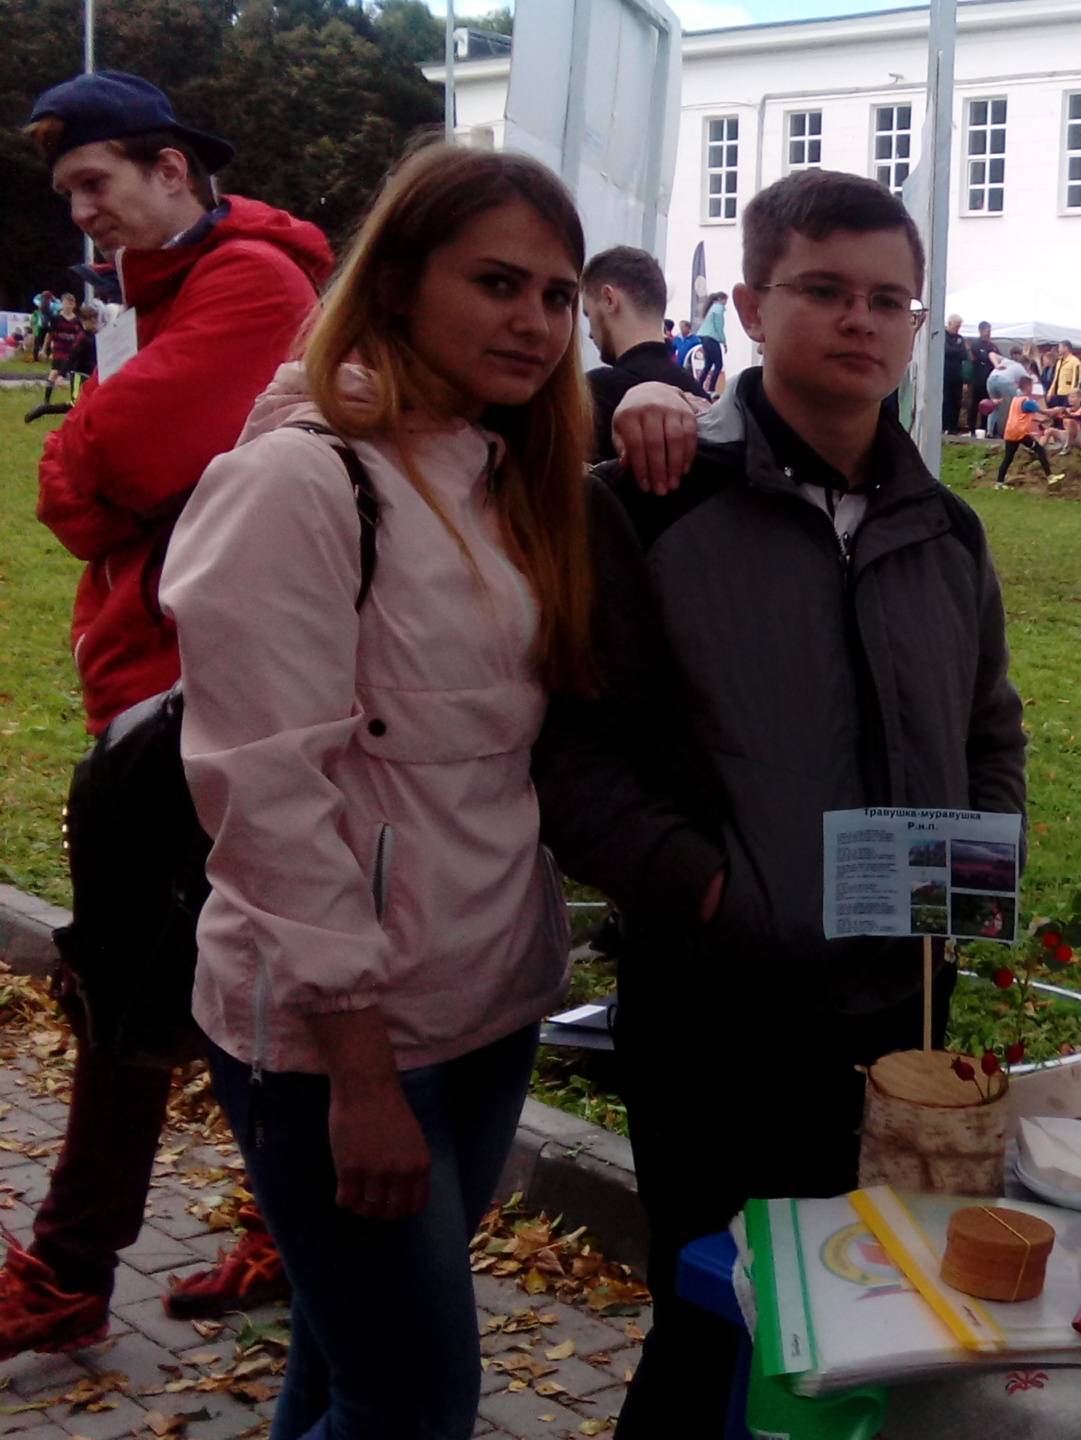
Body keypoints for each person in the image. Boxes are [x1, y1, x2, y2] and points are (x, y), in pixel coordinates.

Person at [533, 168, 1026, 1439]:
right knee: (719, 1321)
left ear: (917, 324)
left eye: (888, 298)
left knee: (867, 1319)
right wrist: (709, 893)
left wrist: (975, 877)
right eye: (823, 290)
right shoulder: (642, 506)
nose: (860, 319)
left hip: (900, 1011)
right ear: (751, 307)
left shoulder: (947, 531)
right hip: (719, 1009)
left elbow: (990, 728)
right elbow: (573, 758)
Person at [159, 142, 590, 1440]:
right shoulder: (298, 480)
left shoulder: (506, 474)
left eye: (559, 296)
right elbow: (265, 797)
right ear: (396, 283)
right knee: (412, 1401)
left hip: (488, 999)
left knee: (347, 1358)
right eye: (498, 283)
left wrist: (651, 414)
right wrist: (356, 1070)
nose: (535, 323)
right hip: (339, 1035)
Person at [1, 70, 332, 1361]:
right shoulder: (165, 291)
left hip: (199, 695)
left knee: (134, 982)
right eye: (67, 193)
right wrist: (110, 475)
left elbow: (95, 469)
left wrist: (97, 468)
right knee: (217, 974)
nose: (82, 212)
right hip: (166, 680)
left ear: (173, 169)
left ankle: (71, 1270)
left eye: (96, 182)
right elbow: (115, 473)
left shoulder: (249, 282)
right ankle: (285, 1229)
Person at [580, 245, 706, 460]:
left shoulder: (595, 394)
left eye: (588, 314)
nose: (590, 334)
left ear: (609, 299)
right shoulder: (698, 398)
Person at [995, 386, 1060, 487]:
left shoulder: (1016, 400)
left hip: (1010, 432)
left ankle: (999, 483)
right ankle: (1050, 477)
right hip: (1020, 433)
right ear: (1028, 387)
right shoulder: (1028, 402)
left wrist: (1040, 420)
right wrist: (1057, 410)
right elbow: (1045, 412)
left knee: (1008, 458)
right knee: (1039, 449)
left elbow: (1022, 415)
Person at [940, 313, 970, 434]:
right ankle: (944, 426)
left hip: (957, 375)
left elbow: (964, 354)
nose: (958, 328)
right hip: (945, 373)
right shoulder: (942, 335)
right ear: (950, 324)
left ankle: (953, 427)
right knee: (945, 400)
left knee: (957, 400)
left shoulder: (960, 338)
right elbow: (945, 350)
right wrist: (956, 351)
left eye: (959, 326)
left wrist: (955, 351)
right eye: (956, 326)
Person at [694, 291, 728, 392]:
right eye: (726, 300)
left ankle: (698, 387)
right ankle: (711, 389)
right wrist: (723, 342)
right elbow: (719, 326)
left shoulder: (711, 308)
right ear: (722, 299)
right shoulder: (718, 308)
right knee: (718, 365)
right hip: (712, 338)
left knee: (708, 364)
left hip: (704, 338)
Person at [966, 319, 995, 433]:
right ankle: (971, 427)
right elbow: (976, 358)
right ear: (981, 331)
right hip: (977, 380)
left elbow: (997, 358)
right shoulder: (975, 344)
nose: (989, 333)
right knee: (974, 404)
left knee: (986, 405)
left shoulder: (992, 346)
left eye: (990, 331)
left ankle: (984, 428)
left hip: (988, 381)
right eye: (987, 331)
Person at [1048, 341, 1081, 406]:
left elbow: (1077, 379)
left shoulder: (1075, 361)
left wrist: (1073, 395)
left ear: (1066, 348)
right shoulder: (1059, 362)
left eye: (1060, 347)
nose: (1058, 349)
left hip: (1068, 393)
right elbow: (1056, 378)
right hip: (1058, 392)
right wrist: (1051, 391)